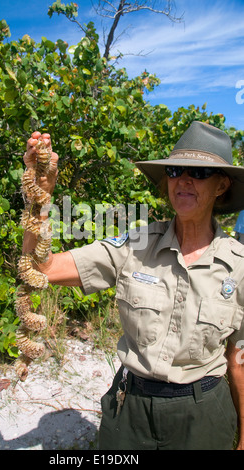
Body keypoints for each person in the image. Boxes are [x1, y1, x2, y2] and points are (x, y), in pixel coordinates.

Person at [22, 121, 244, 450]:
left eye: (198, 172)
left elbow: (238, 362)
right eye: (175, 170)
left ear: (221, 185)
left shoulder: (239, 265)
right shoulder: (135, 245)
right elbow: (41, 268)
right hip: (130, 411)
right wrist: (40, 195)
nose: (183, 180)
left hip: (203, 417)